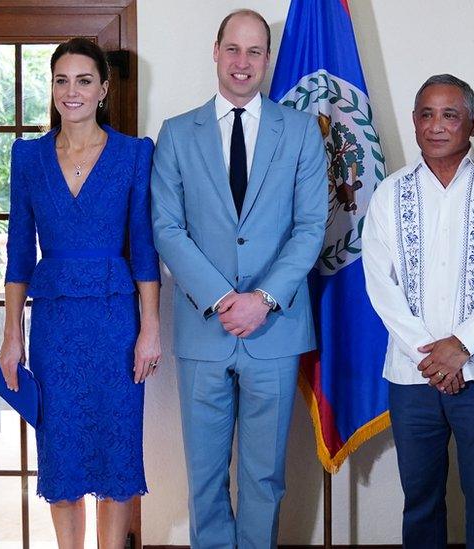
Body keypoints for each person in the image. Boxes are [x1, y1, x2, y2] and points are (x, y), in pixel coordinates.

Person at [149, 8, 327, 548]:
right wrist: (226, 297)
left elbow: (311, 225)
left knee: (264, 477)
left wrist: (264, 299)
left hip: (274, 330)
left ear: (268, 59)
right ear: (216, 49)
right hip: (204, 329)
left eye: (255, 51)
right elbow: (167, 228)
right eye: (234, 49)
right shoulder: (177, 134)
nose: (242, 62)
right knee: (204, 479)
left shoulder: (300, 132)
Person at [0, 38, 161, 549]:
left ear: (104, 89)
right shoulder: (28, 158)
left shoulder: (135, 155)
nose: (72, 91)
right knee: (62, 452)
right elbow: (20, 254)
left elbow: (144, 249)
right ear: (52, 88)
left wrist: (150, 329)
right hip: (54, 329)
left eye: (84, 80)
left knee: (116, 455)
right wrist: (10, 336)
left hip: (116, 326)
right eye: (62, 80)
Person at [362, 74, 474, 548]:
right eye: (427, 114)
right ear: (414, 123)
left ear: (473, 123)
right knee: (420, 497)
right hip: (412, 375)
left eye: (450, 114)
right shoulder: (389, 194)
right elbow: (381, 285)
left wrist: (461, 346)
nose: (437, 125)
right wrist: (433, 357)